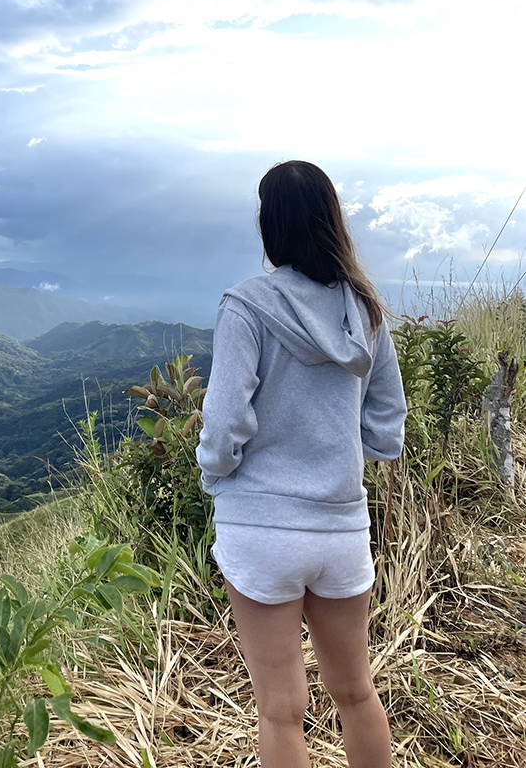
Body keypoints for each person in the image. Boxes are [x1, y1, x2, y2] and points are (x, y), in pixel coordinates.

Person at [196, 160, 407, 768]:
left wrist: (219, 475)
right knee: (356, 692)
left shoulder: (246, 305)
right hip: (341, 527)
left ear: (270, 225)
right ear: (330, 219)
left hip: (260, 527)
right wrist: (345, 455)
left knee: (280, 710)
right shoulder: (363, 310)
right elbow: (388, 418)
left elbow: (225, 419)